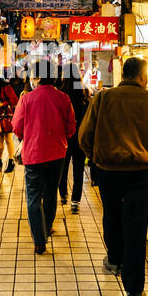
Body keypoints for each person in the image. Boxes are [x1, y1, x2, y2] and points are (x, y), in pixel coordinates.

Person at [79, 56, 148, 296]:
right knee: (136, 227)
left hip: (108, 169)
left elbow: (84, 135)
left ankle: (115, 260)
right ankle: (133, 292)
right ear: (143, 77)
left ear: (124, 75)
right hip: (140, 172)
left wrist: (96, 157)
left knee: (111, 214)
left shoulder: (103, 98)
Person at [11, 62, 75, 255]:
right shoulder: (63, 98)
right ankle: (46, 228)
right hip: (57, 153)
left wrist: (29, 134)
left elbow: (16, 126)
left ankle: (39, 241)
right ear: (55, 77)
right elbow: (71, 126)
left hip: (34, 154)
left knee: (33, 197)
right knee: (50, 192)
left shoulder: (27, 99)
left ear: (35, 77)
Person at [58, 74, 89, 213]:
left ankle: (63, 194)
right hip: (80, 138)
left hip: (64, 137)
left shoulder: (61, 95)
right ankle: (75, 201)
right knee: (78, 170)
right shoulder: (84, 95)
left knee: (63, 168)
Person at [0, 73, 21, 173]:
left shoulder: (6, 87)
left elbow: (14, 100)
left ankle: (11, 162)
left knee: (8, 139)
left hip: (6, 117)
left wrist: (2, 104)